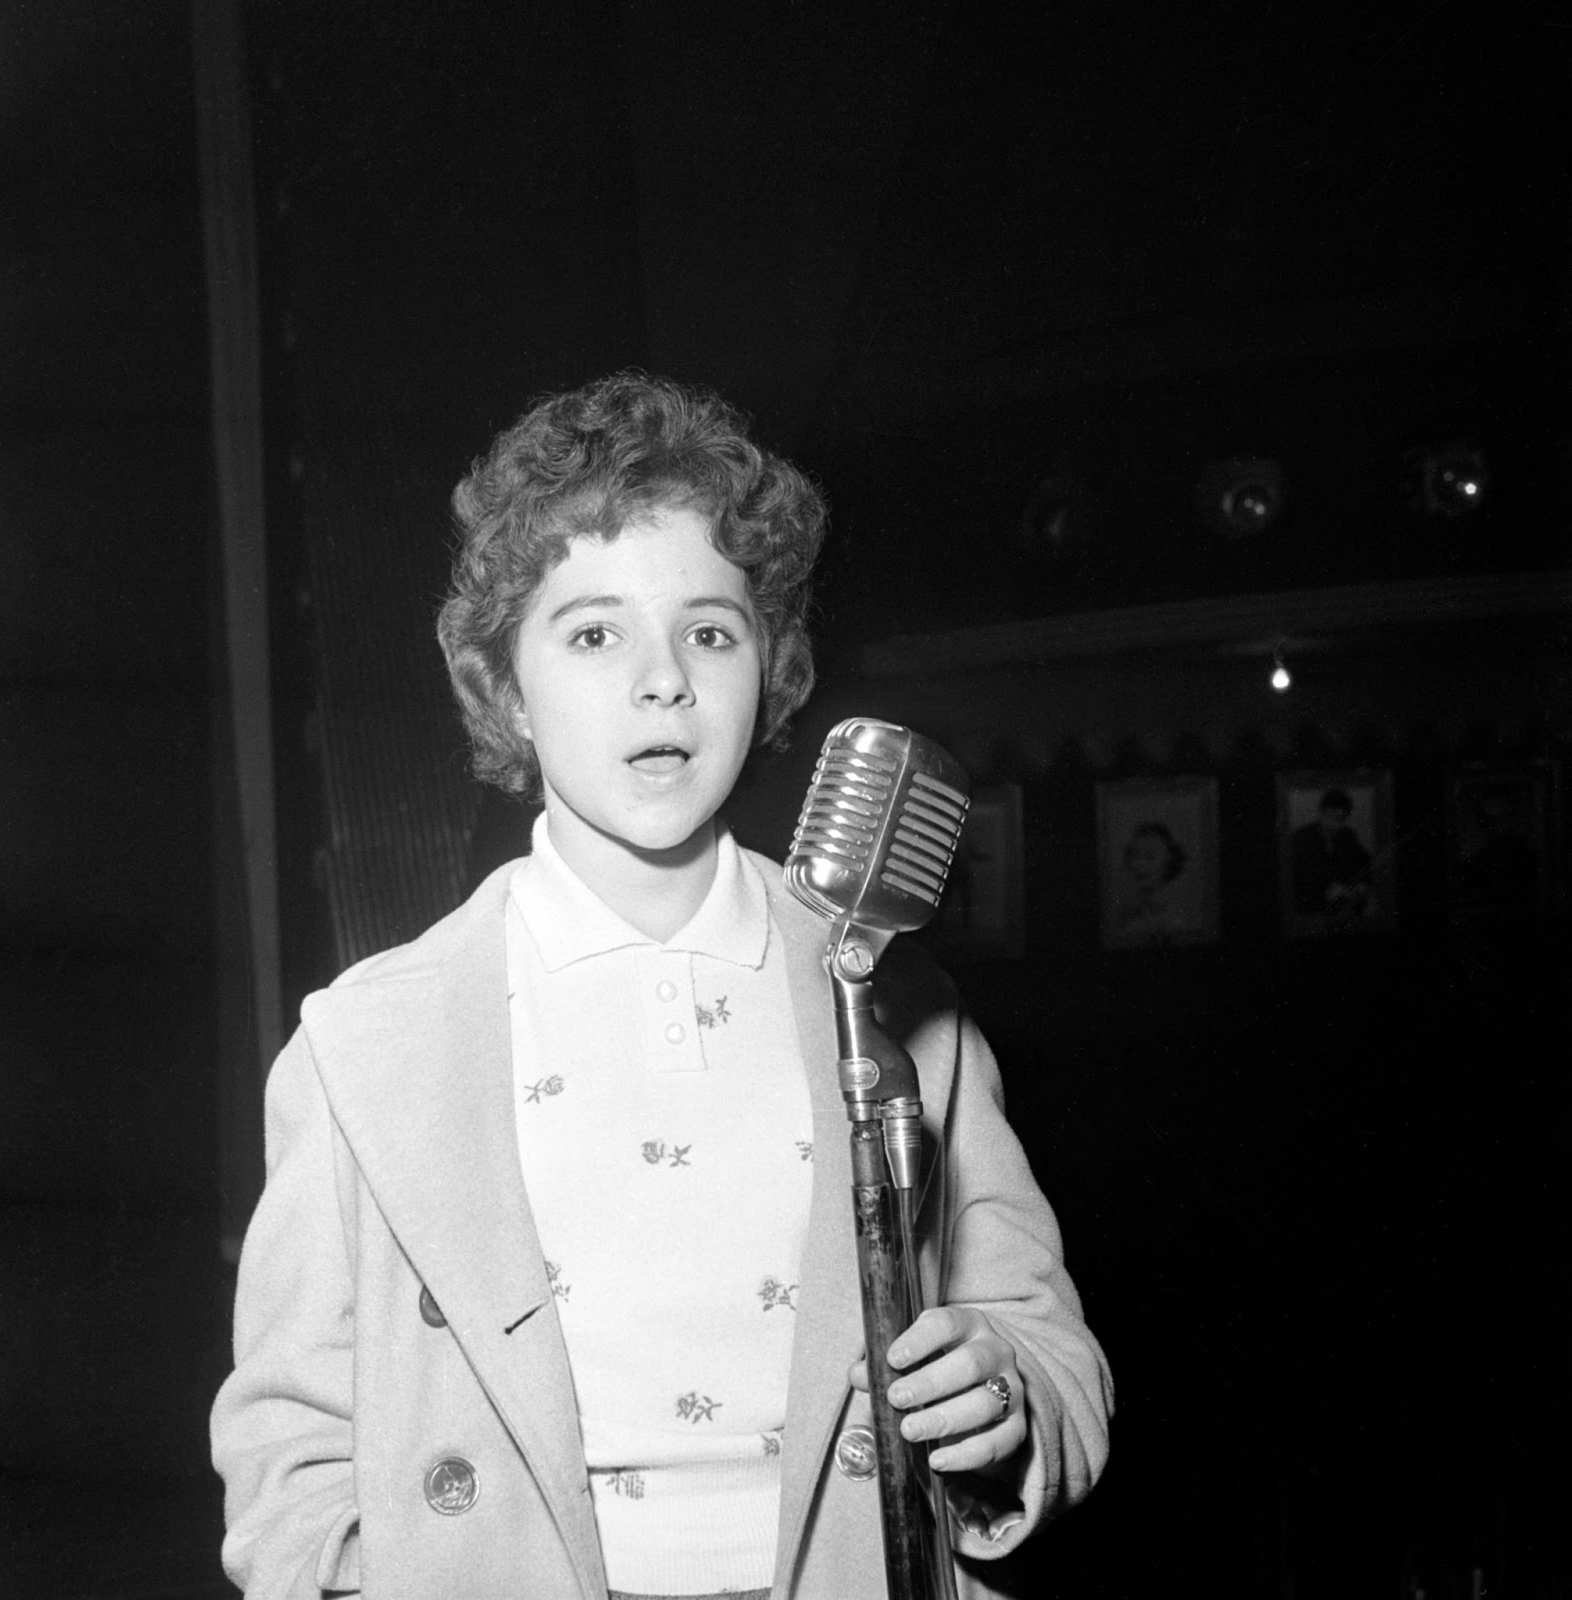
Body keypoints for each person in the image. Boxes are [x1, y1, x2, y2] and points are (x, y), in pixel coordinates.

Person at [210, 372, 1111, 1600]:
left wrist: (1007, 1391)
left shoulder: (902, 1007)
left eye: (709, 629)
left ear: (771, 668)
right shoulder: (360, 1045)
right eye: (592, 632)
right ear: (504, 688)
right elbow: (289, 1438)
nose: (662, 680)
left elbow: (1045, 1338)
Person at [1289, 787, 1373, 920]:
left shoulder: (1347, 836)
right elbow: (1296, 882)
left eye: (1341, 819)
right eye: (1331, 816)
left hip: (1342, 909)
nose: (1335, 824)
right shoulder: (1301, 838)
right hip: (1311, 911)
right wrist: (1326, 892)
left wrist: (1361, 885)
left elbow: (1364, 864)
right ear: (1322, 812)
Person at [1115, 819, 1187, 936]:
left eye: (1150, 856)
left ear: (1170, 861)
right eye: (1135, 854)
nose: (1139, 863)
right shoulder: (1127, 909)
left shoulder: (1172, 917)